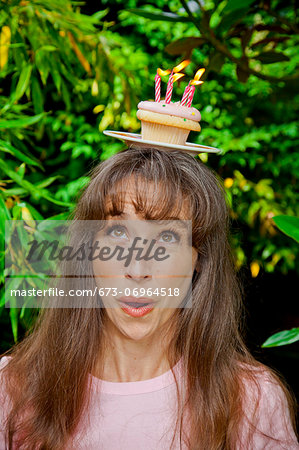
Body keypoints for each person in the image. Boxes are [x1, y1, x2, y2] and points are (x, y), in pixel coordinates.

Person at [0, 147, 298, 449]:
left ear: (198, 260)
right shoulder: (12, 389)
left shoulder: (252, 402)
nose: (138, 269)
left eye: (167, 238)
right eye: (118, 233)